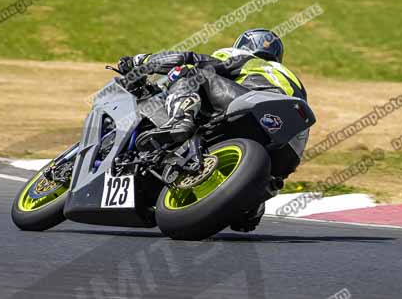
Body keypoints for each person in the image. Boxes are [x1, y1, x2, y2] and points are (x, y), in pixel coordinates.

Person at [117, 28, 310, 232]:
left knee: (188, 72)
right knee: (249, 214)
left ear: (244, 46)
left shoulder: (245, 58)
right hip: (289, 145)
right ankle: (253, 203)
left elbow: (190, 58)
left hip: (253, 104)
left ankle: (180, 120)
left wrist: (142, 62)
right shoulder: (291, 80)